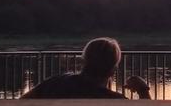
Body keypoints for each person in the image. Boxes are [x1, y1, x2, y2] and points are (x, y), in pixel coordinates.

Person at [22, 37, 151, 99]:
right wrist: (143, 91)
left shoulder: (55, 83)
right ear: (113, 70)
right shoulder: (116, 101)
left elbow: (22, 102)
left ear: (84, 61)